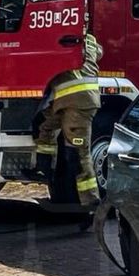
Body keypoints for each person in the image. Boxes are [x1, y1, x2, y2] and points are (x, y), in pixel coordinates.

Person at [33, 33, 104, 217]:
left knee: (78, 154)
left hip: (78, 104)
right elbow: (99, 52)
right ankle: (45, 170)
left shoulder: (62, 36)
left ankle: (91, 202)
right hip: (65, 101)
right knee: (46, 129)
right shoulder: (89, 40)